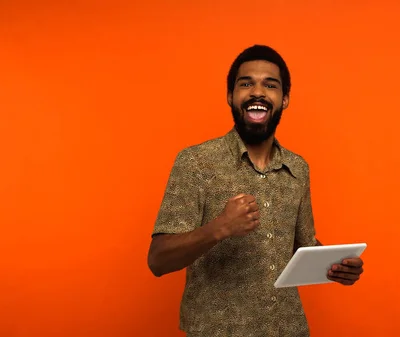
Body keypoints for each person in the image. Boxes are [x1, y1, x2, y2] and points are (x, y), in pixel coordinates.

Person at [147, 44, 364, 337]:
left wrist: (335, 265)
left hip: (288, 329)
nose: (257, 92)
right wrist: (219, 228)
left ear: (284, 99)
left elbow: (303, 246)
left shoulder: (298, 168)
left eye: (270, 85)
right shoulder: (196, 161)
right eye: (246, 83)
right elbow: (158, 260)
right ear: (230, 97)